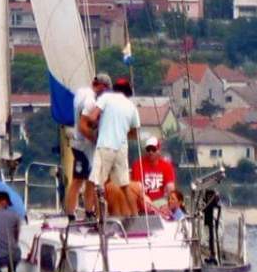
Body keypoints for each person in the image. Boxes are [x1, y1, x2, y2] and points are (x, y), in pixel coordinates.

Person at [89, 74, 140, 218]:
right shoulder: (132, 106)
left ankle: (99, 219)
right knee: (124, 186)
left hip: (105, 145)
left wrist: (97, 126)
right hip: (121, 148)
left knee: (97, 184)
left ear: (115, 89)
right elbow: (134, 134)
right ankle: (135, 217)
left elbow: (93, 117)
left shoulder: (106, 98)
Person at [66, 70, 112, 216]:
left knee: (89, 179)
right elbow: (83, 125)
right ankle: (72, 214)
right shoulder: (91, 101)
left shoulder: (81, 92)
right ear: (101, 86)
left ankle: (87, 211)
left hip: (78, 143)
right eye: (105, 90)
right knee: (79, 180)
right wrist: (96, 139)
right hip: (83, 145)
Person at [133, 133, 177, 212]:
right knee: (143, 200)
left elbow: (170, 187)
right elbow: (138, 187)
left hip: (160, 201)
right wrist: (146, 200)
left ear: (158, 150)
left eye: (153, 149)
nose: (150, 152)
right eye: (148, 149)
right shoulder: (137, 165)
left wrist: (169, 202)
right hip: (143, 201)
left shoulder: (167, 166)